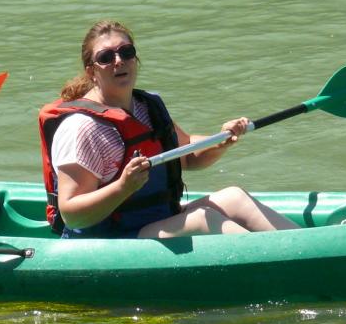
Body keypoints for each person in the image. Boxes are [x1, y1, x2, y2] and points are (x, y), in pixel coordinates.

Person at [38, 20, 301, 239]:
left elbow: (186, 156)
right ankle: (281, 260)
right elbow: (72, 213)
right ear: (91, 71)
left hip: (157, 222)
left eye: (126, 52)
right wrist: (123, 187)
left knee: (234, 197)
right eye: (106, 57)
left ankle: (305, 247)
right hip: (113, 239)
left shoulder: (147, 107)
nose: (119, 61)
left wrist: (220, 141)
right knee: (203, 219)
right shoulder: (81, 128)